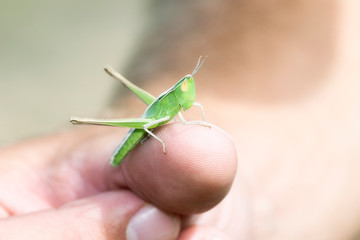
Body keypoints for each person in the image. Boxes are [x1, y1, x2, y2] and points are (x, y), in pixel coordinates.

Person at [1, 1, 360, 239]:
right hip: (145, 127)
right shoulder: (169, 108)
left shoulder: (188, 110)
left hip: (184, 156)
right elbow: (164, 126)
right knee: (150, 129)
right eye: (186, 83)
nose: (189, 88)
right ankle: (83, 124)